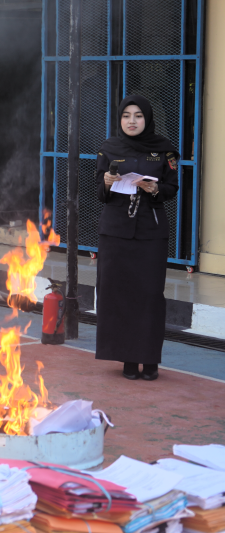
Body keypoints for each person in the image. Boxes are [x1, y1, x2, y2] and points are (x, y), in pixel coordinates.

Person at [95, 94, 179, 381]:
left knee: (150, 295)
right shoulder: (109, 148)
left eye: (138, 116)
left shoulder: (165, 150)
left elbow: (172, 187)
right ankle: (128, 359)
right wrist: (106, 183)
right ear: (120, 119)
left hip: (150, 232)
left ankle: (149, 359)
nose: (132, 121)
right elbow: (100, 194)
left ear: (147, 118)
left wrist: (153, 189)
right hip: (115, 232)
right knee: (118, 294)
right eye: (126, 116)